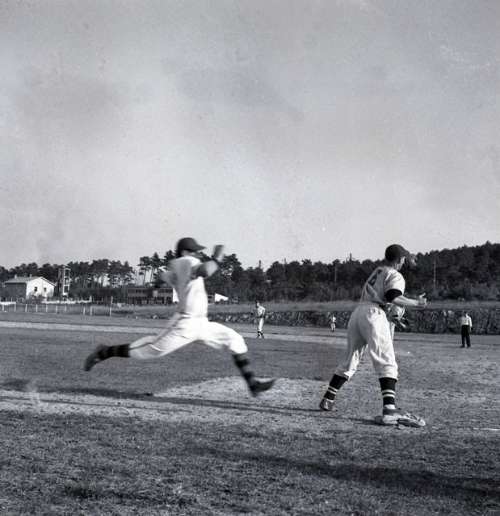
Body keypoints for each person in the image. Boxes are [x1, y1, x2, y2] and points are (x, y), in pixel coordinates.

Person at [84, 237, 275, 397]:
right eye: (195, 251)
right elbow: (206, 270)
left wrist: (154, 288)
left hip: (201, 323)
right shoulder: (187, 262)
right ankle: (103, 352)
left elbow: (163, 276)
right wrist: (217, 258)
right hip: (186, 323)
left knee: (235, 340)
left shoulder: (179, 266)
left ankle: (252, 385)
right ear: (185, 252)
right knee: (151, 349)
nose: (198, 254)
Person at [319, 244, 428, 427]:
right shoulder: (395, 274)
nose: (404, 262)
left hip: (358, 313)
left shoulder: (377, 271)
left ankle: (328, 398)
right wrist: (417, 303)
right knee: (387, 362)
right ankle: (390, 409)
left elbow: (385, 298)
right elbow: (393, 296)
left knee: (350, 359)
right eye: (404, 259)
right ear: (400, 259)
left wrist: (391, 311)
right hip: (373, 314)